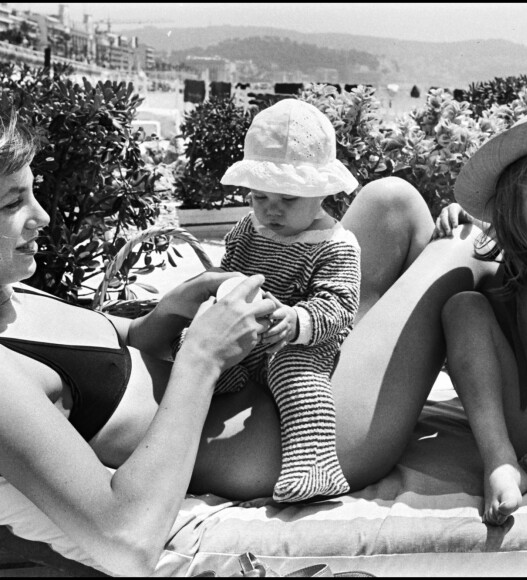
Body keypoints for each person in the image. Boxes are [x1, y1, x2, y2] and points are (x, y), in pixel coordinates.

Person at [0, 105, 495, 576]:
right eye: (12, 202)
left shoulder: (13, 295)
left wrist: (172, 307)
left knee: (395, 201)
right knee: (467, 250)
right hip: (291, 432)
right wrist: (201, 357)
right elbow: (123, 541)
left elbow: (123, 341)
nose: (41, 216)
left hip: (257, 365)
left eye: (32, 192)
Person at [190, 99, 360, 503]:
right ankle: (219, 382)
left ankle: (315, 463)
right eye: (260, 197)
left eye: (288, 199)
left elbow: (339, 305)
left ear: (322, 193)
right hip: (249, 327)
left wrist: (298, 320)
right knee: (196, 343)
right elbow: (230, 271)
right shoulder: (250, 229)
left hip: (299, 340)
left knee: (297, 375)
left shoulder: (335, 245)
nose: (271, 210)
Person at [434, 108, 527, 526]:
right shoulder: (515, 256)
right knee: (464, 306)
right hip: (522, 430)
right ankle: (499, 464)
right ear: (510, 210)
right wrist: (460, 217)